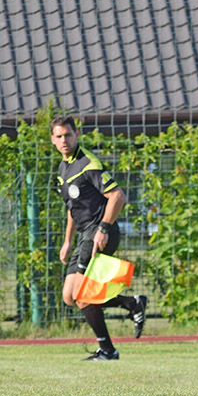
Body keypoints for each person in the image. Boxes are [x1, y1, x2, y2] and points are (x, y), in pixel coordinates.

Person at [52, 116, 147, 360]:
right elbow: (73, 208)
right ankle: (131, 303)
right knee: (69, 296)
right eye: (59, 136)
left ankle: (107, 350)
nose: (65, 140)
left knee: (82, 295)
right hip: (85, 235)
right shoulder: (62, 169)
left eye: (68, 135)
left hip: (100, 233)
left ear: (77, 135)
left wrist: (103, 229)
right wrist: (67, 241)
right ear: (53, 139)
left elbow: (117, 196)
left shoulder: (88, 163)